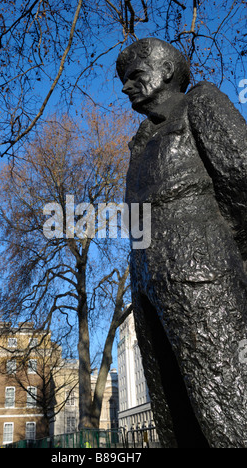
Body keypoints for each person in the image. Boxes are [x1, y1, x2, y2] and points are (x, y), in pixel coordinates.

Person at [117, 38, 247, 448]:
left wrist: (230, 252)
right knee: (172, 411)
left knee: (224, 399)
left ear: (167, 71)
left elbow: (241, 173)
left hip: (201, 264)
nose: (125, 87)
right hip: (146, 277)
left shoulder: (201, 102)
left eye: (134, 75)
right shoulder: (139, 141)